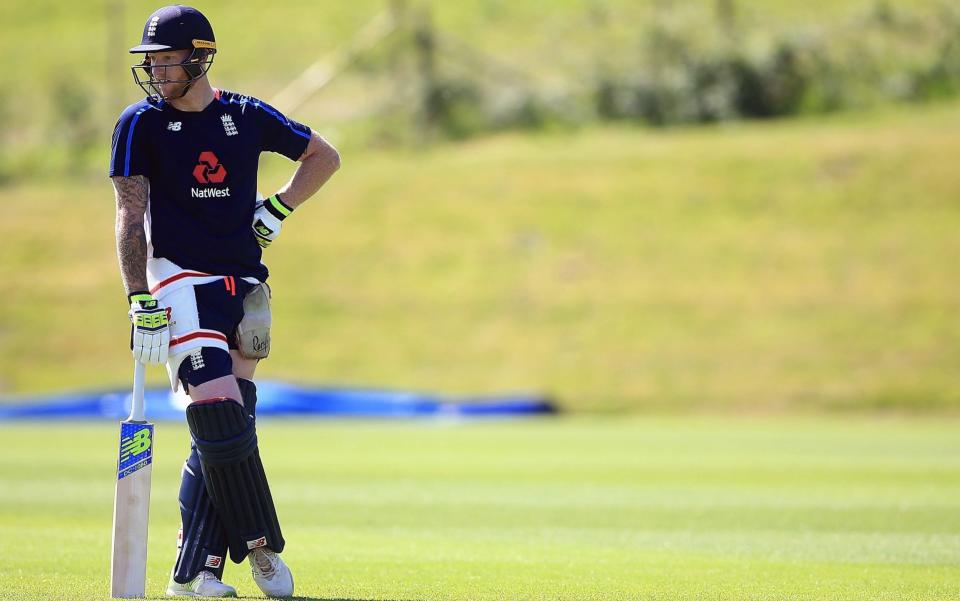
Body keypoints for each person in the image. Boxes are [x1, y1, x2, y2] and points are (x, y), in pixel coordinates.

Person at [109, 5, 340, 598]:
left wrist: (278, 210)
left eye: (167, 60)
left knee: (229, 426)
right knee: (216, 411)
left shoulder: (246, 114)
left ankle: (196, 571)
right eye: (151, 61)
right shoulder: (139, 124)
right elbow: (129, 214)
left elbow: (324, 157)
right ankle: (263, 549)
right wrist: (140, 298)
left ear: (200, 56)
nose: (157, 71)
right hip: (178, 280)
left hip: (243, 285)